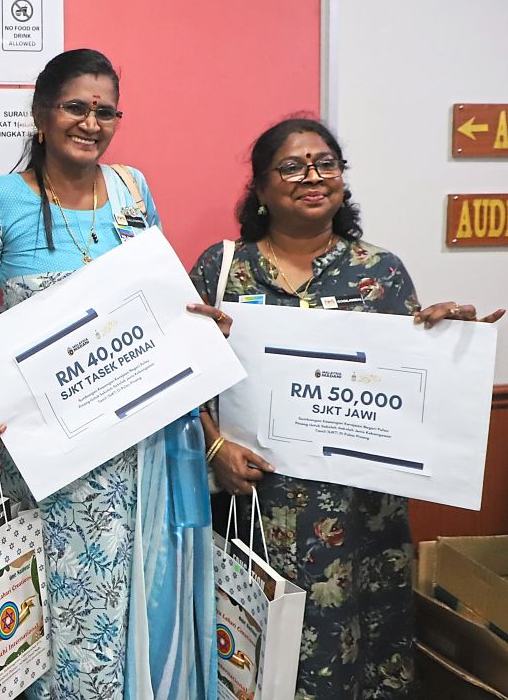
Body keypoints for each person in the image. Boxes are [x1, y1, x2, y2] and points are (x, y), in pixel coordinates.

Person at [189, 117, 504, 700]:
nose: (312, 176)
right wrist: (214, 445)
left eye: (326, 164)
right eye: (291, 166)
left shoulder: (379, 272)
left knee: (356, 658)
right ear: (259, 188)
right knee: (250, 656)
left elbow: (410, 389)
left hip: (361, 518)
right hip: (255, 508)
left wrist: (454, 350)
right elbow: (183, 378)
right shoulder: (223, 269)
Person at [0, 48, 222, 700]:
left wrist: (200, 325)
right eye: (76, 106)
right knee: (59, 626)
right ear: (42, 115)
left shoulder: (132, 190)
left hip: (141, 448)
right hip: (50, 456)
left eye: (105, 111)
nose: (91, 123)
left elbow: (160, 295)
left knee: (135, 614)